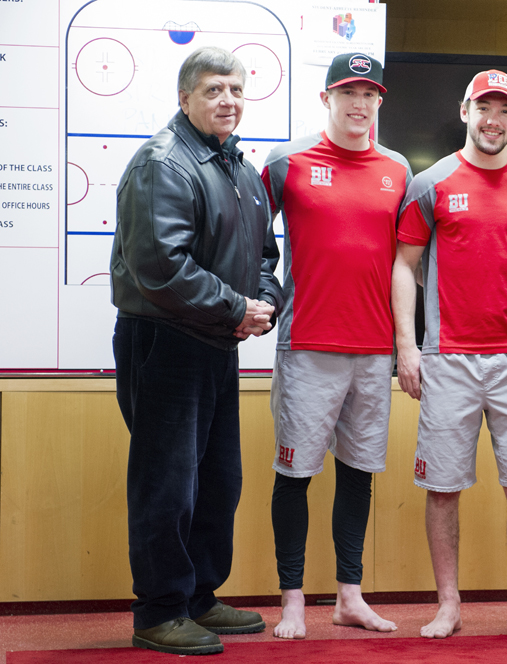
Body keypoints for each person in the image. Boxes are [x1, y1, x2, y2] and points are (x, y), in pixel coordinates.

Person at [111, 46, 283, 656]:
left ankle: (198, 597)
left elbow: (264, 255)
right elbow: (161, 267)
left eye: (235, 90)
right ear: (185, 98)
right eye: (213, 90)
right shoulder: (165, 162)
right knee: (167, 484)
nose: (228, 101)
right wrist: (239, 309)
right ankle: (159, 611)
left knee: (217, 482)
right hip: (164, 341)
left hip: (214, 342)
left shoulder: (236, 166)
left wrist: (261, 300)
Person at [392, 69, 507, 640]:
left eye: (504, 110)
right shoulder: (429, 183)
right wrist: (406, 347)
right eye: (483, 108)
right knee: (443, 489)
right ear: (465, 112)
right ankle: (448, 605)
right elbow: (404, 266)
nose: (493, 119)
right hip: (447, 359)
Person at [260, 52, 411, 639]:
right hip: (307, 345)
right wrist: (260, 297)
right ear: (327, 98)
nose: (359, 103)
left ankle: (350, 595)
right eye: (348, 92)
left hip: (373, 350)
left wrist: (407, 345)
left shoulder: (397, 169)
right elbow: (247, 238)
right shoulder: (286, 161)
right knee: (294, 475)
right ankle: (292, 600)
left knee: (358, 473)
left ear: (379, 102)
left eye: (370, 94)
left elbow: (408, 262)